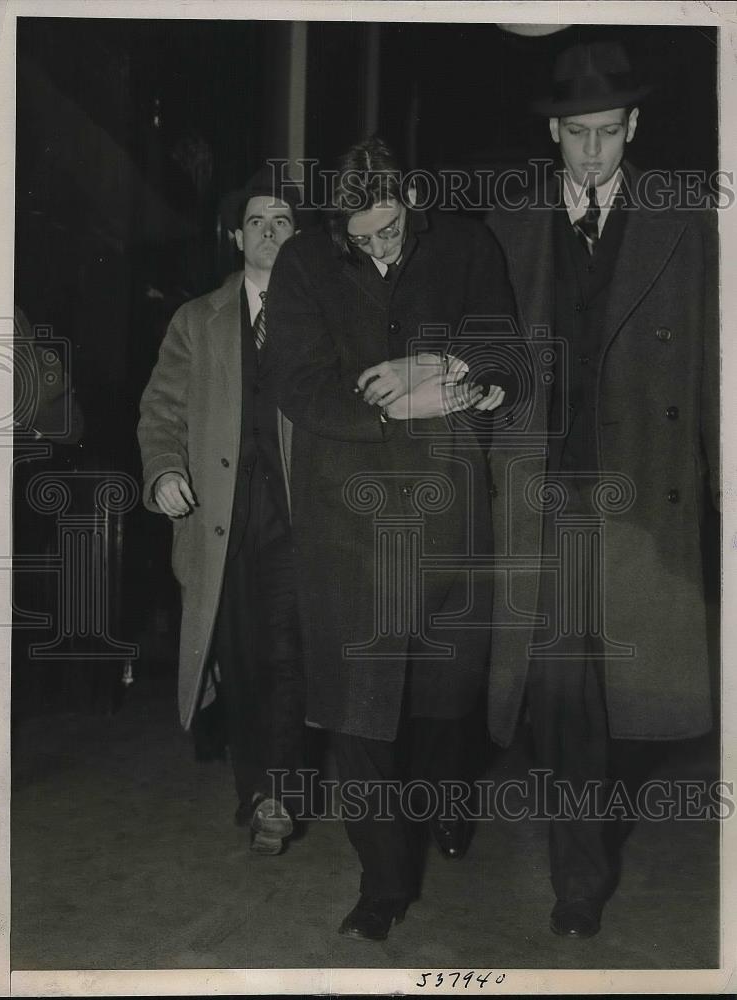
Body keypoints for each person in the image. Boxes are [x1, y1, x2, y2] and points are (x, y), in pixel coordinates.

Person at [486, 40, 719, 938]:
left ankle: (595, 825)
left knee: (629, 707)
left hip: (644, 502)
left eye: (608, 132)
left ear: (635, 126)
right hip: (543, 501)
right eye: (576, 134)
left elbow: (714, 364)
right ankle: (577, 879)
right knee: (562, 700)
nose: (592, 152)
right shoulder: (509, 227)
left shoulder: (688, 220)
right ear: (554, 134)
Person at [265, 135, 516, 940]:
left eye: (390, 229)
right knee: (359, 712)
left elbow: (511, 353)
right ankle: (383, 881)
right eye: (361, 237)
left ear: (410, 196)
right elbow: (294, 382)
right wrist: (389, 406)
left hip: (448, 510)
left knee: (443, 698)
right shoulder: (305, 262)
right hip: (348, 520)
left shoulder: (469, 243)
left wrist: (440, 365)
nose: (378, 246)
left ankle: (444, 804)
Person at [138, 168, 307, 855]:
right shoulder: (195, 320)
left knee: (290, 652)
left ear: (299, 237)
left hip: (298, 517)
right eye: (257, 222)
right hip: (222, 517)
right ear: (236, 235)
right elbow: (161, 412)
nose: (269, 233)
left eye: (283, 223)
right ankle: (254, 785)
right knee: (238, 659)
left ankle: (280, 797)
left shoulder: (323, 315)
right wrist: (166, 471)